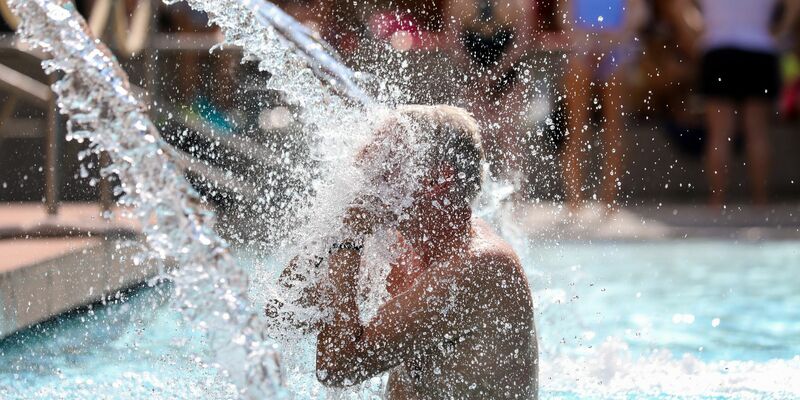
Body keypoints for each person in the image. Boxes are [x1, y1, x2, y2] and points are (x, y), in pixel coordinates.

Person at [275, 105, 538, 398]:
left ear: (438, 179)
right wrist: (332, 222)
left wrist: (345, 241)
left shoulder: (479, 266)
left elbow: (337, 368)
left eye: (386, 155)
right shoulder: (402, 248)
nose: (363, 164)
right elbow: (283, 312)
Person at [698, 0, 800, 206]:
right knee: (758, 132)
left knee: (719, 133)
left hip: (718, 48)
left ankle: (716, 202)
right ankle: (760, 201)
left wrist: (700, 29)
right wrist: (781, 31)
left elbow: (678, 7)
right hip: (759, 49)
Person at [557, 0, 647, 211]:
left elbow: (637, 15)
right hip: (584, 49)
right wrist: (588, 42)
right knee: (575, 129)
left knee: (613, 130)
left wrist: (608, 41)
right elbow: (565, 16)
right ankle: (575, 200)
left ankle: (609, 200)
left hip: (615, 49)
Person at [443, 0, 534, 179]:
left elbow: (522, 44)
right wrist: (476, 75)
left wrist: (496, 73)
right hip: (472, 72)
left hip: (508, 72)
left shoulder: (517, 5)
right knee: (475, 134)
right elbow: (454, 45)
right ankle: (475, 187)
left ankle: (515, 194)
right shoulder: (459, 4)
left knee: (509, 136)